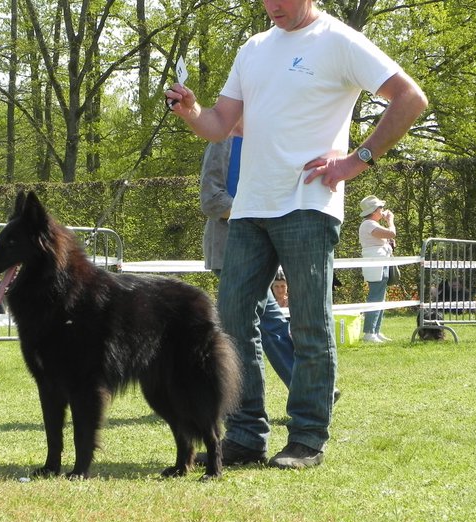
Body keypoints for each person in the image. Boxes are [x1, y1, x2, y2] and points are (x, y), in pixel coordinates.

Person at [165, 0, 427, 470]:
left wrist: (356, 161)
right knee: (232, 324)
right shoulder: (253, 47)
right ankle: (246, 436)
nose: (272, 6)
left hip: (309, 204)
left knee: (309, 323)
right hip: (249, 208)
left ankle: (307, 438)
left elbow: (411, 98)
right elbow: (220, 125)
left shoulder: (339, 40)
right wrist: (191, 110)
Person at [200, 123, 294, 391]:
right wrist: (255, 212)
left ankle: (303, 386)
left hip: (260, 251)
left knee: (265, 322)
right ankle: (300, 386)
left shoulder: (268, 140)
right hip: (229, 249)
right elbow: (211, 200)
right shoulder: (223, 142)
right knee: (260, 323)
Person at [358, 195, 396, 343]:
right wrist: (390, 221)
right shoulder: (368, 224)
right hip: (376, 263)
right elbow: (392, 233)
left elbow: (389, 238)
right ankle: (369, 332)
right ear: (374, 210)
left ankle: (376, 330)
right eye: (380, 208)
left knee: (381, 296)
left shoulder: (372, 224)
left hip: (382, 261)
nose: (382, 211)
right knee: (375, 296)